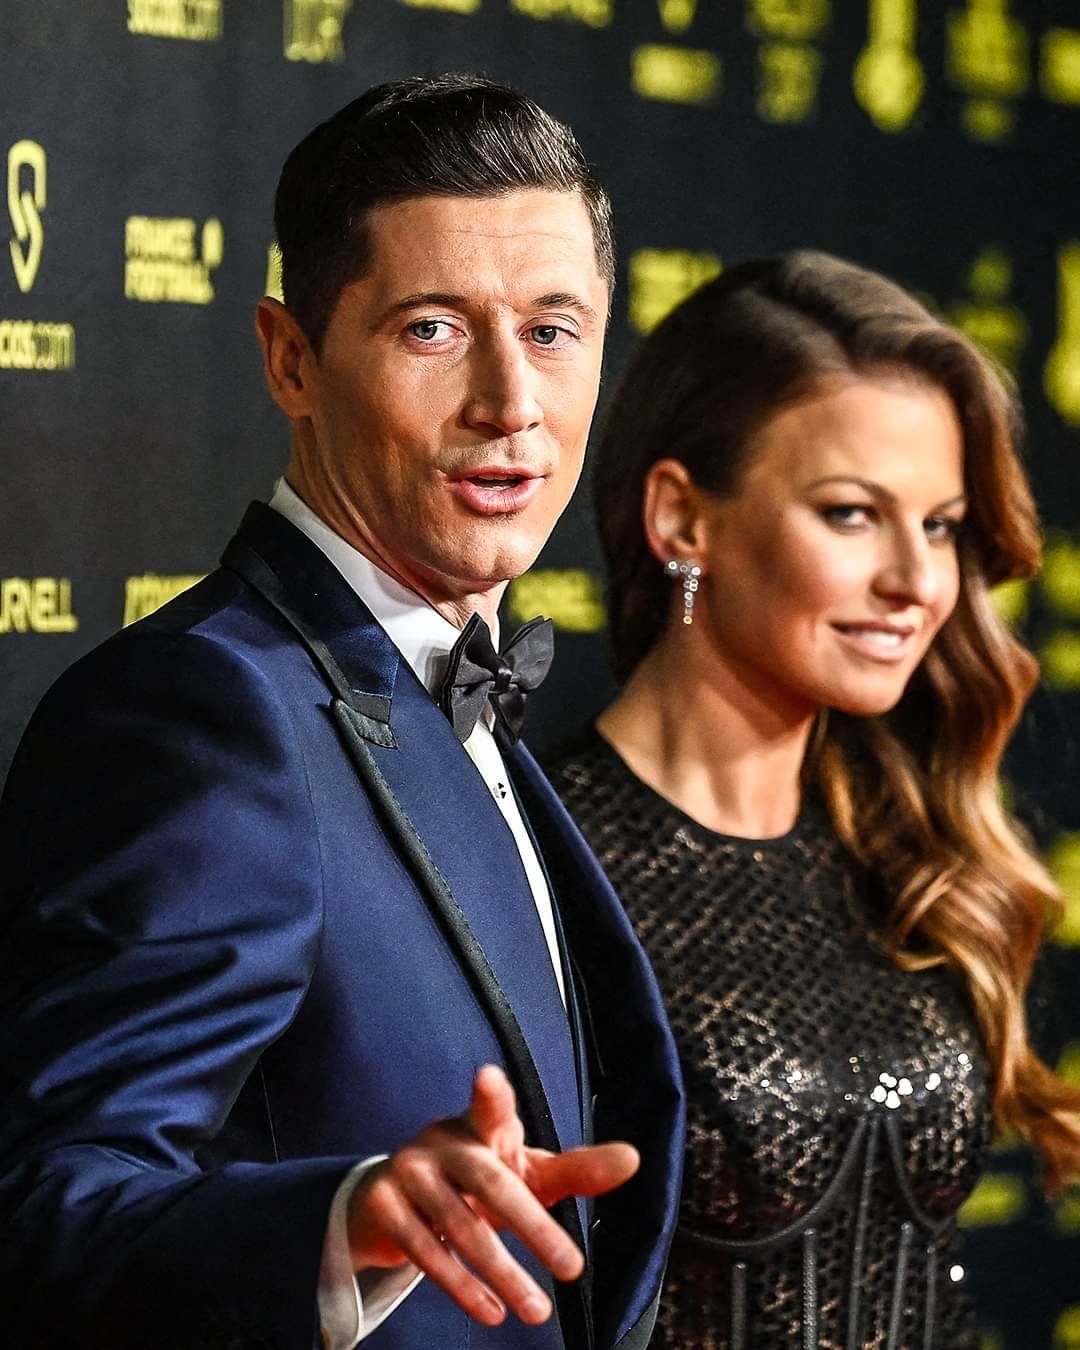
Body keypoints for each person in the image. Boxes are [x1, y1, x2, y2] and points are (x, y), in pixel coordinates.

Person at [0, 76, 683, 1350]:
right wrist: (341, 1222)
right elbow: (46, 1208)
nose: (509, 403)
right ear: (291, 358)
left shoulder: (441, 681)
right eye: (433, 329)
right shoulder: (204, 712)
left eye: (553, 331)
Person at [546, 251, 1080, 1349]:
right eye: (850, 514)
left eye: (941, 525)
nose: (917, 582)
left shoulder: (903, 847)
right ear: (682, 519)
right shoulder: (537, 859)